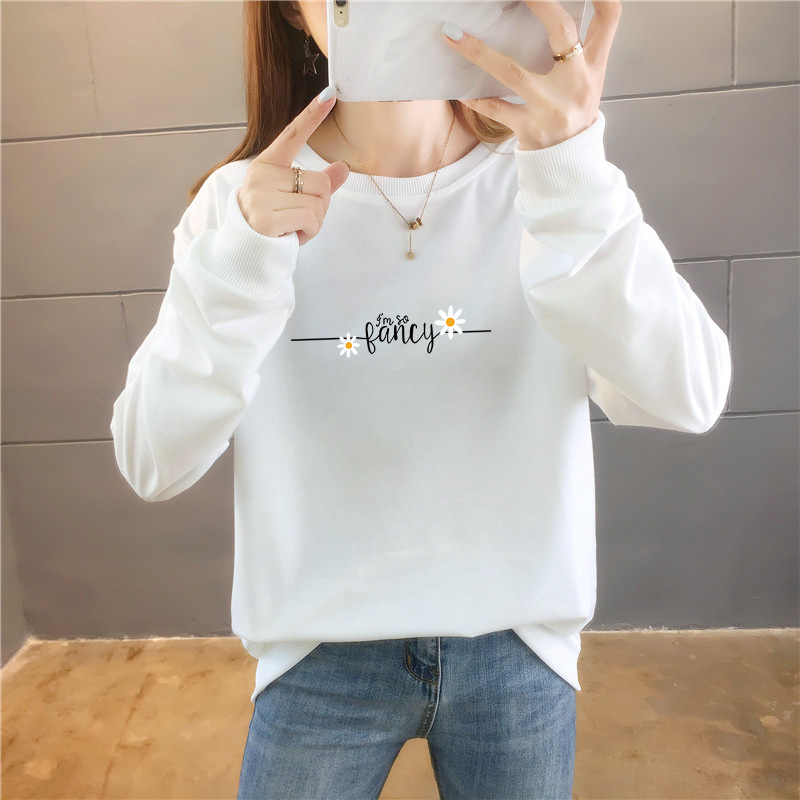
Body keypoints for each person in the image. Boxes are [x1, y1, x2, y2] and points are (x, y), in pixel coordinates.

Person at [110, 1, 732, 798]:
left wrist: (575, 176)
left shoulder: (548, 178)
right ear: (295, 14)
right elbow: (151, 460)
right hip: (318, 654)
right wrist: (240, 265)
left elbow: (688, 394)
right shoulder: (242, 205)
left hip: (516, 648)